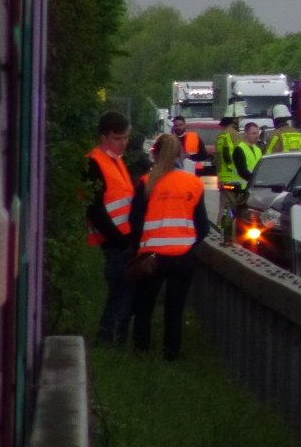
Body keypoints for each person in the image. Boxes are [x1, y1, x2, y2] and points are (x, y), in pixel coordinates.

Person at [131, 134, 209, 361]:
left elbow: (135, 224)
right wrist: (187, 244)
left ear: (154, 153)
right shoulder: (193, 183)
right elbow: (202, 227)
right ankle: (170, 356)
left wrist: (138, 249)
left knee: (144, 307)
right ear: (179, 155)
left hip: (152, 256)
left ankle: (141, 351)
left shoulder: (147, 183)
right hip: (183, 258)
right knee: (174, 311)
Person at [85, 111, 139, 346]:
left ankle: (114, 339)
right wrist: (118, 240)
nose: (123, 142)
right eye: (118, 138)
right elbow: (95, 209)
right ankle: (108, 339)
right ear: (104, 136)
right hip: (115, 241)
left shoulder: (116, 160)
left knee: (123, 291)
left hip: (124, 239)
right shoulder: (94, 162)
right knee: (120, 292)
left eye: (126, 137)